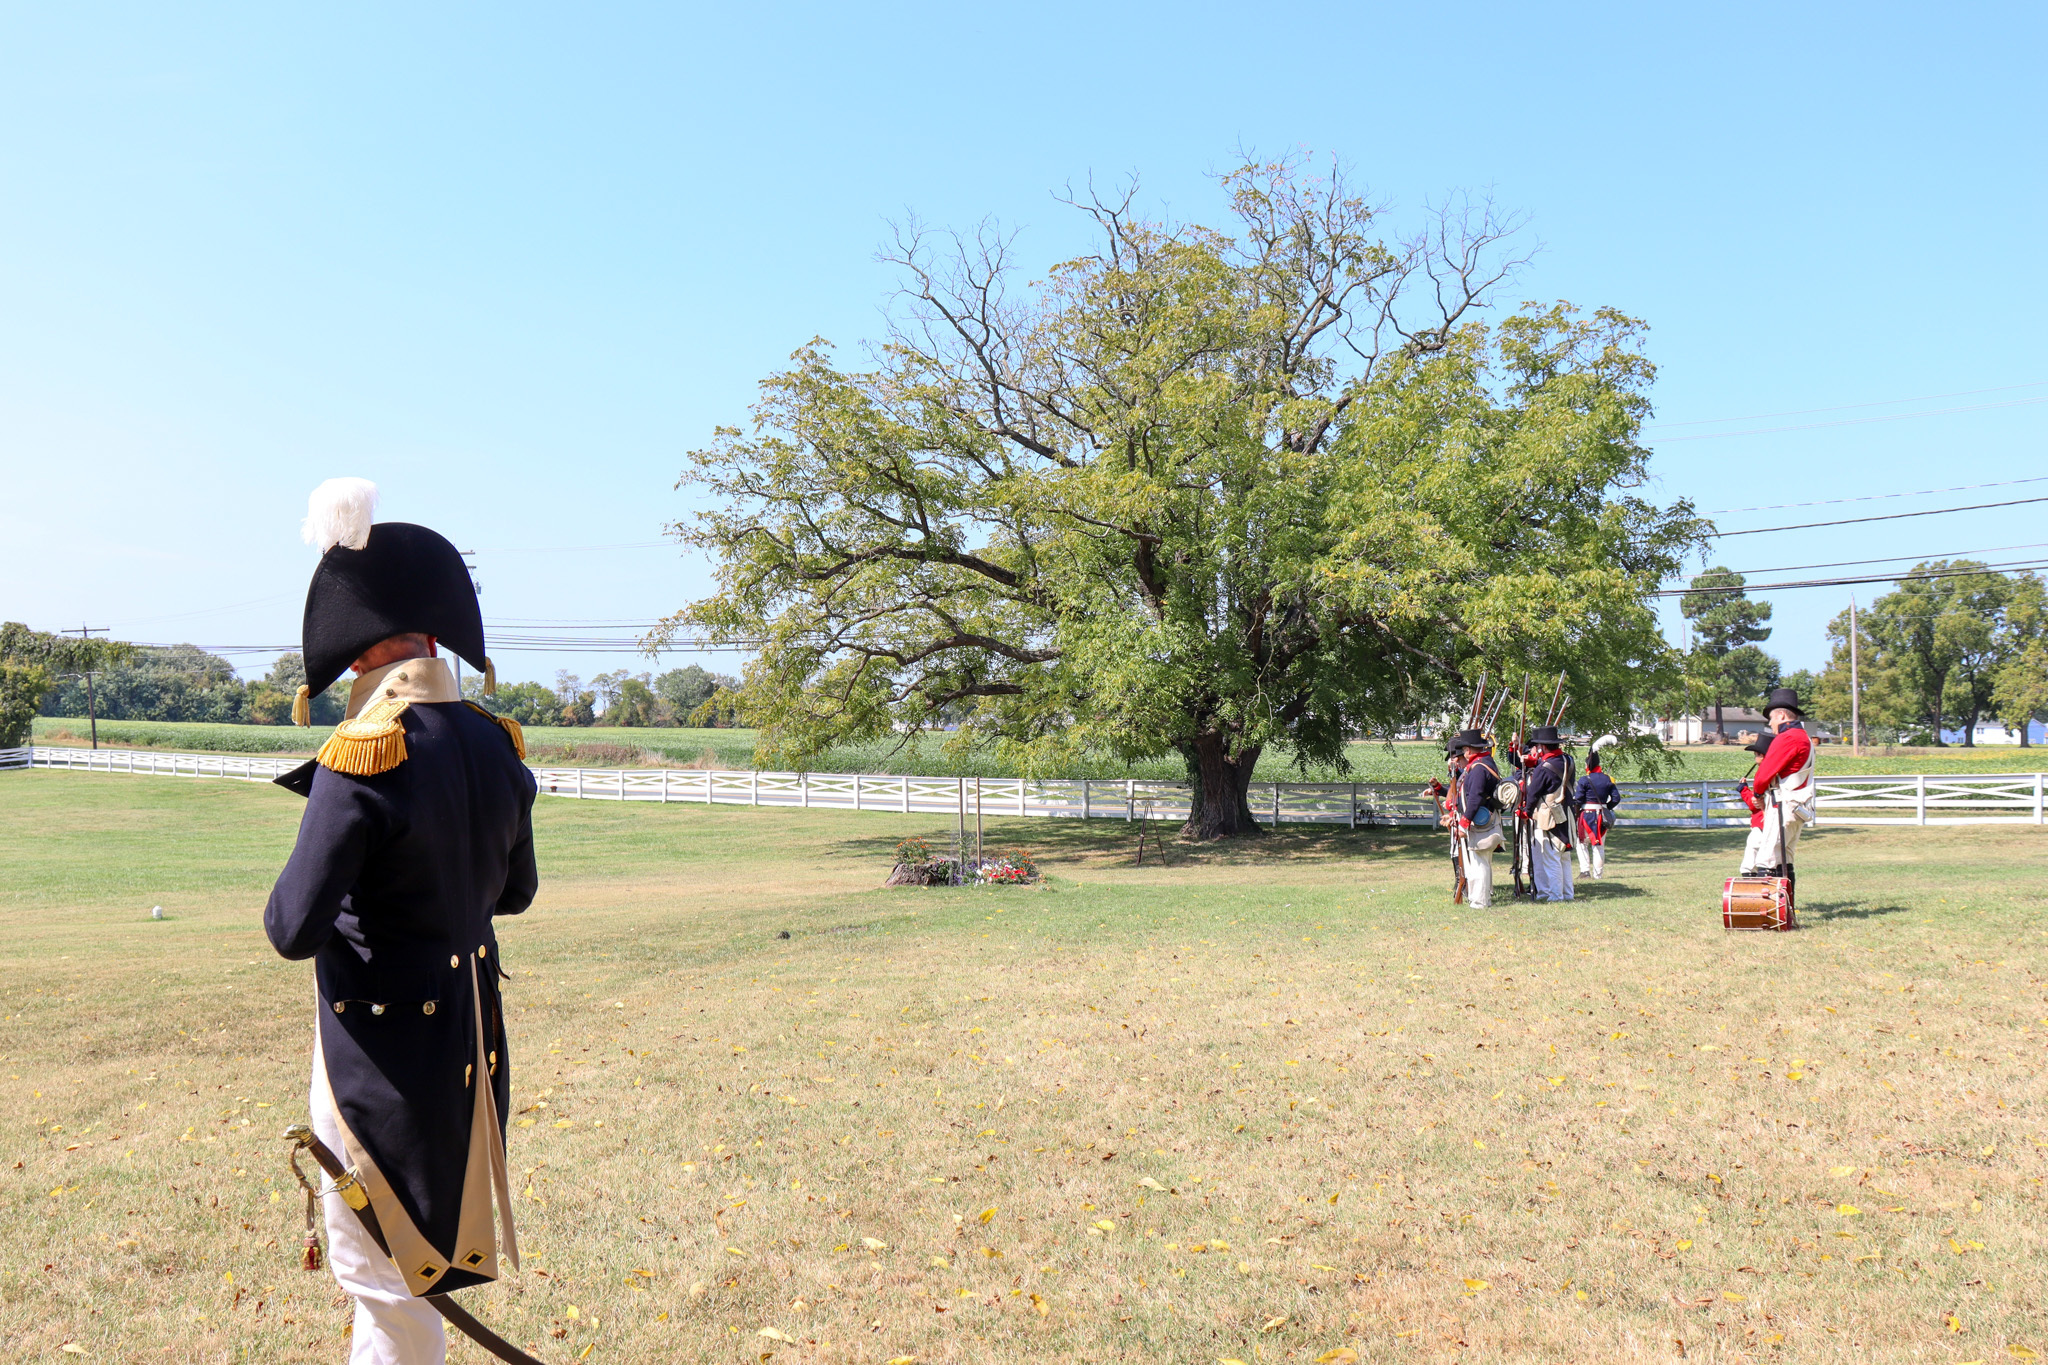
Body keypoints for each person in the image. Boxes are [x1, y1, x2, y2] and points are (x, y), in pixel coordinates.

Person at [265, 479, 536, 1365]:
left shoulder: (359, 755)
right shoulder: (498, 743)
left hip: (376, 1059)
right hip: (466, 1041)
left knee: (385, 1277)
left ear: (354, 650)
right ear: (432, 635)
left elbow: (290, 925)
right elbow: (517, 893)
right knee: (408, 1270)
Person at [1745, 686, 1817, 894]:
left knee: (1767, 859)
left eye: (1771, 718)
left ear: (1782, 715)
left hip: (1783, 806)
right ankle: (1787, 909)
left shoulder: (1788, 737)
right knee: (1785, 857)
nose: (1770, 723)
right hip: (1798, 806)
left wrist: (1757, 794)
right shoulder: (1804, 737)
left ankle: (1768, 913)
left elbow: (1763, 774)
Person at [1445, 728, 1505, 908]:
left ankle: (1479, 901)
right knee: (1480, 861)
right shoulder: (1481, 763)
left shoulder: (1479, 767)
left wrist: (1464, 823)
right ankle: (1479, 899)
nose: (1462, 753)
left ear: (1469, 750)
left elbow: (1475, 797)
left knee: (1479, 863)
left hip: (1481, 822)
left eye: (1464, 749)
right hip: (1480, 820)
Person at [1519, 725, 1576, 901]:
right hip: (1568, 811)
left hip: (1551, 814)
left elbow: (1533, 792)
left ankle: (1556, 896)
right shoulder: (1568, 759)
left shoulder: (1545, 767)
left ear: (1543, 746)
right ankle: (1568, 894)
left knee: (1551, 856)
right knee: (1564, 856)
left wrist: (1526, 811)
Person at [1573, 747, 1622, 879]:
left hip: (1587, 814)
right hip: (1601, 815)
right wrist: (1606, 807)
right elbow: (1616, 798)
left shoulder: (1584, 780)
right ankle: (1598, 875)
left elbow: (1578, 799)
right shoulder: (1608, 779)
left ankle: (1585, 871)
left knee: (1582, 843)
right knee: (1599, 845)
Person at [1735, 732, 1774, 874]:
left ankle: (1750, 875)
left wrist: (1744, 790)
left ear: (1761, 755)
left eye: (1756, 755)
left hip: (1762, 821)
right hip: (1770, 820)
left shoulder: (1762, 774)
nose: (1755, 758)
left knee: (1753, 850)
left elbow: (1754, 803)